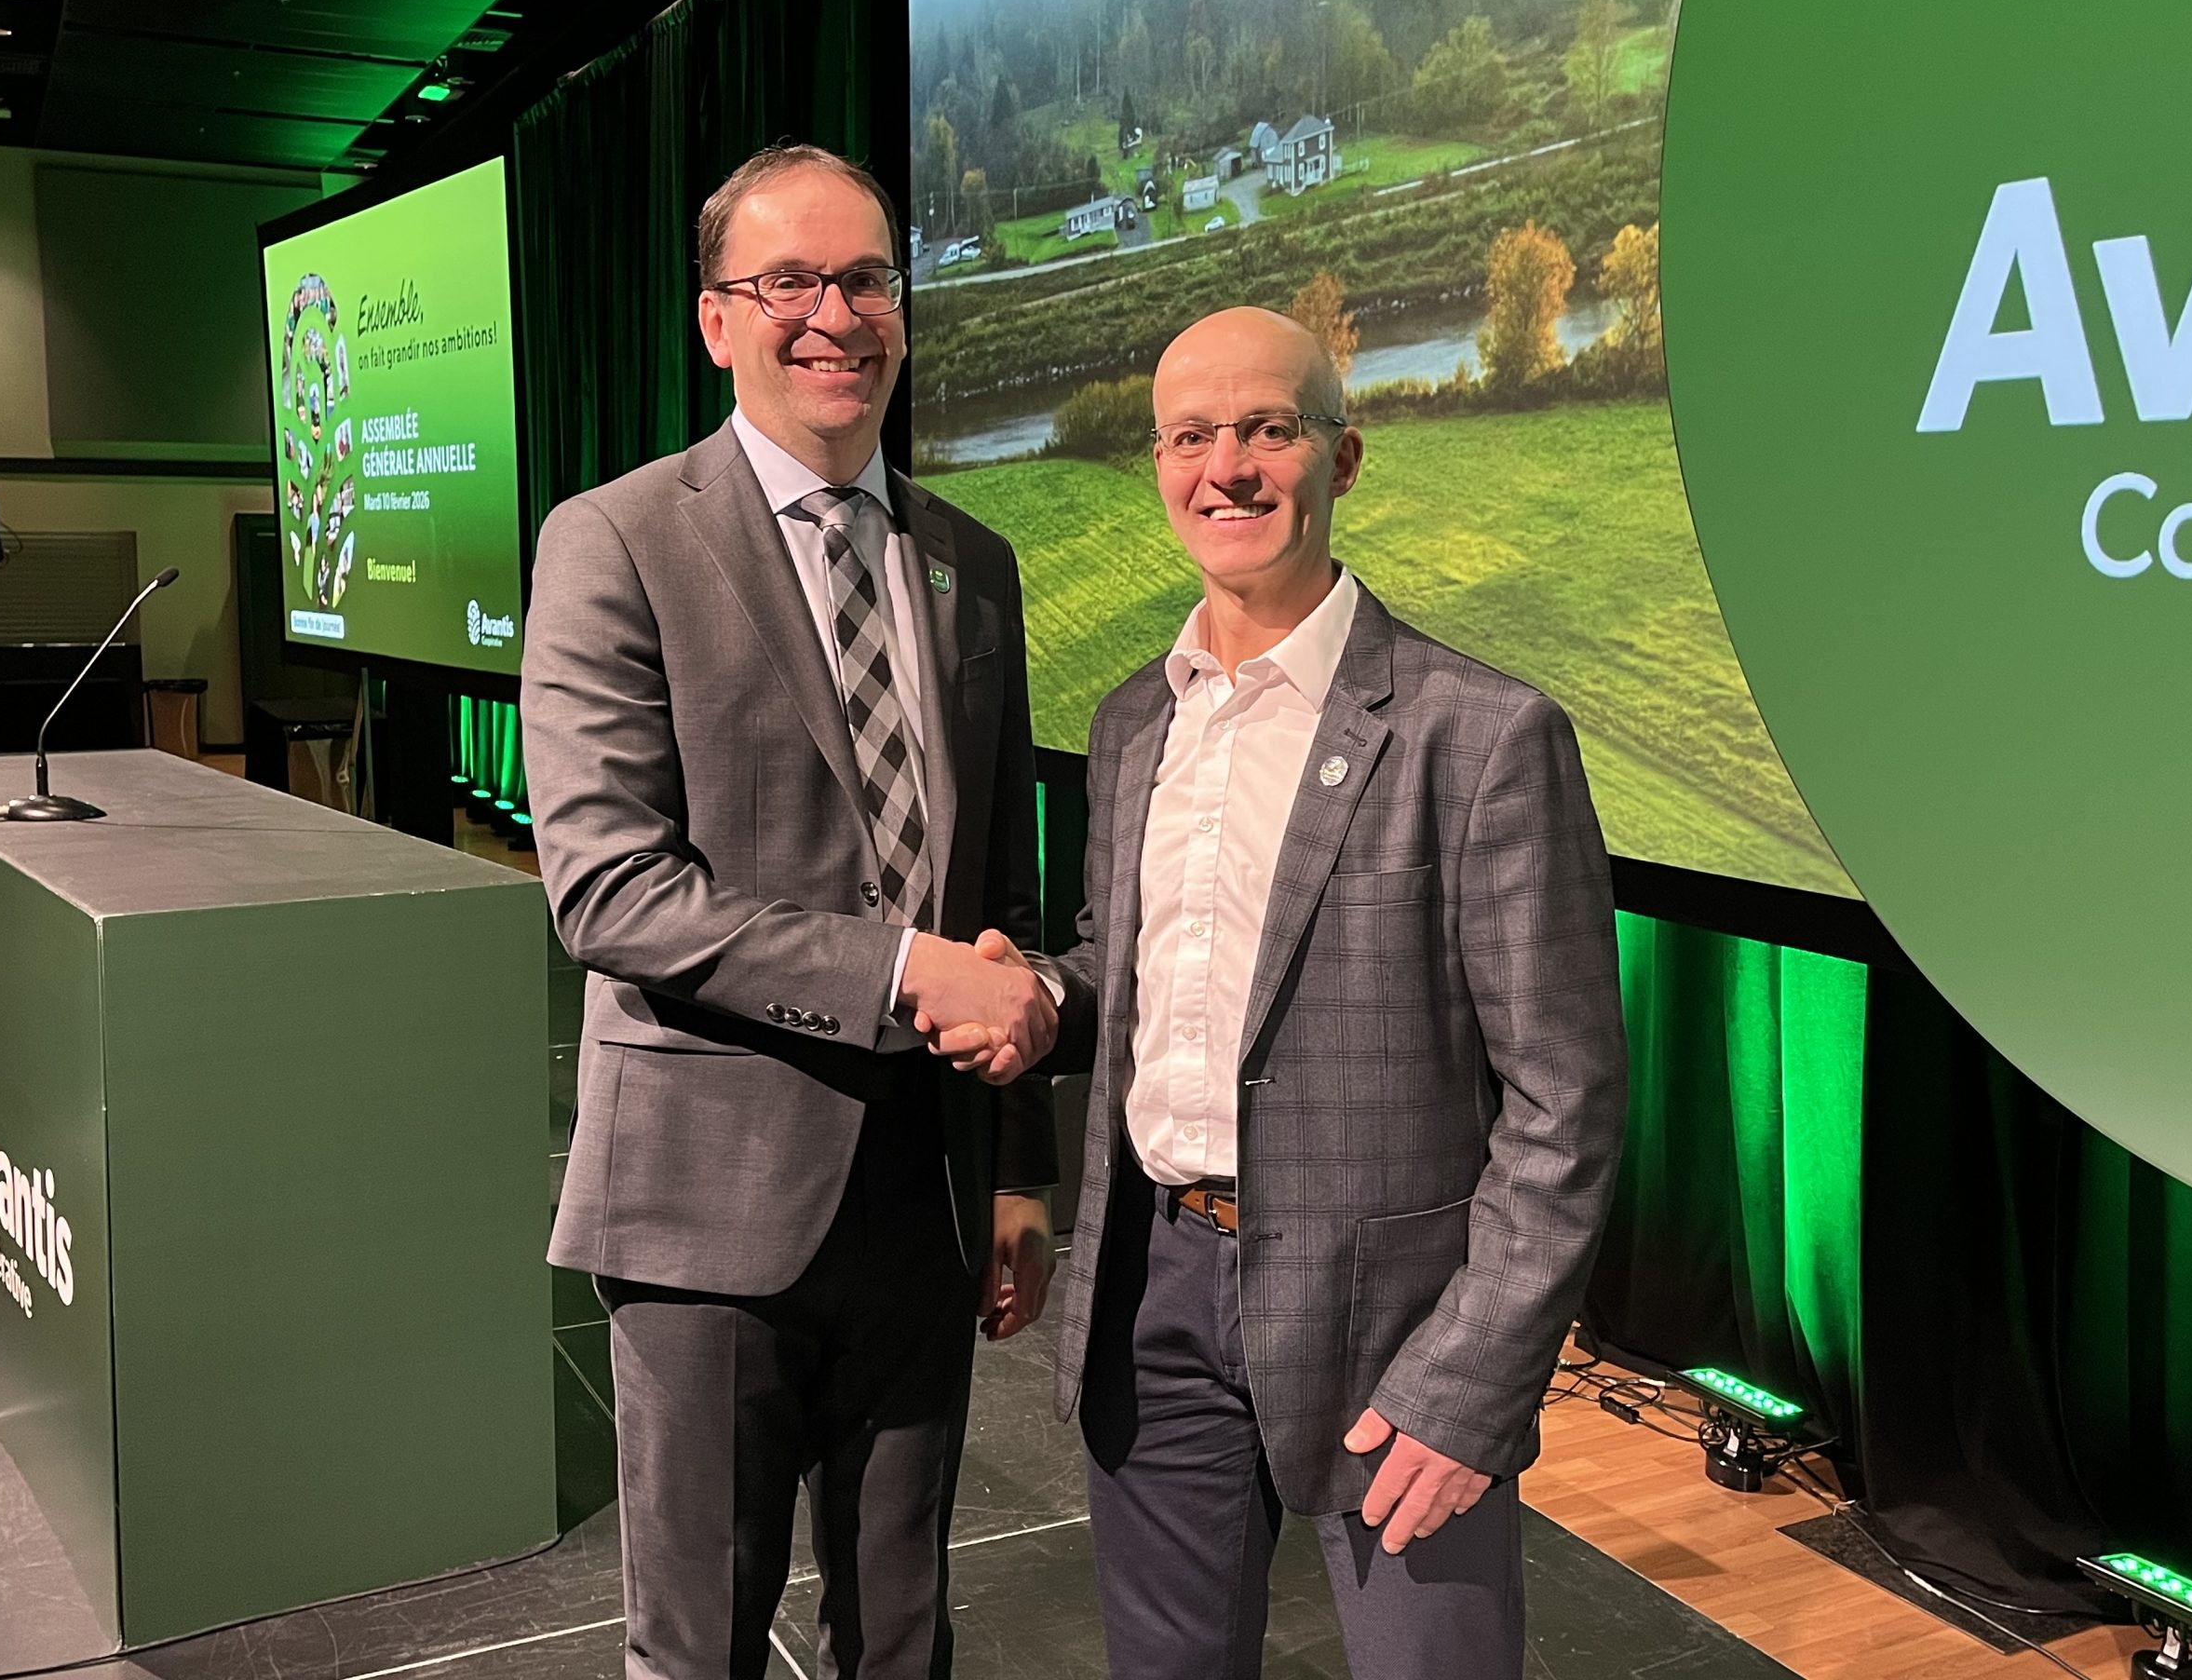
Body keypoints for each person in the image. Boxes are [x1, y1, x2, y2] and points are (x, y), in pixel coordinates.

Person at [965, 306, 1629, 1676]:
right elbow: (1129, 973)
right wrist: (1040, 999)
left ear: (1345, 456)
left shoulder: (1482, 736)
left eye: (1267, 429)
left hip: (1396, 1325)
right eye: (1190, 437)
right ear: (1158, 465)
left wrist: (1474, 1379)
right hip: (1152, 1288)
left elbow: (1565, 1103)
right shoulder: (1133, 722)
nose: (1227, 469)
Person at [521, 143, 1062, 1680]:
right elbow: (610, 888)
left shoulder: (972, 563)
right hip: (709, 1207)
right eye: (790, 283)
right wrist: (902, 974)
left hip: (926, 1197)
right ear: (716, 320)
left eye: (868, 279)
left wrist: (1021, 1169)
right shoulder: (614, 538)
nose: (836, 315)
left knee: (903, 1636)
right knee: (701, 1645)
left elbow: (1001, 899)